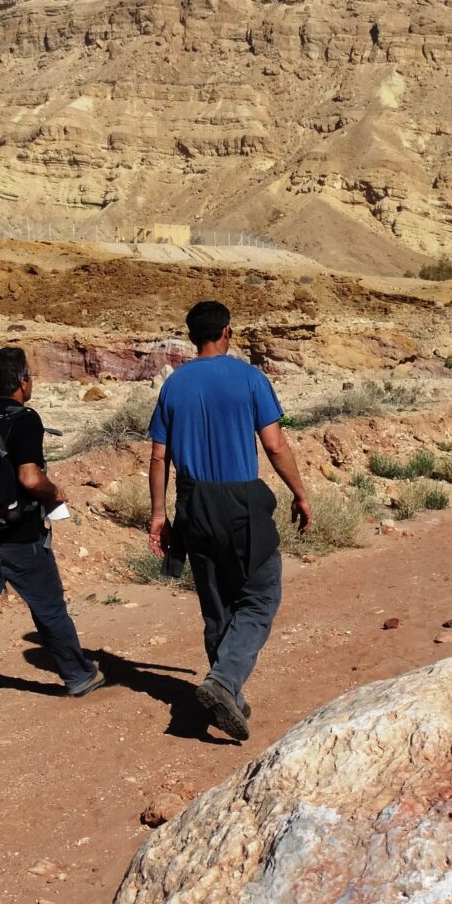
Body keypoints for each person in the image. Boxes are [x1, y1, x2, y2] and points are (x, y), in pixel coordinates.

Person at [147, 301, 311, 741]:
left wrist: (159, 515)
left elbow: (159, 455)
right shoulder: (249, 378)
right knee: (260, 595)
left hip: (193, 503)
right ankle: (223, 682)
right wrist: (299, 493)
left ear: (192, 334)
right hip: (240, 502)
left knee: (216, 602)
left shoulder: (174, 384)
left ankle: (228, 693)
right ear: (226, 331)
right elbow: (275, 446)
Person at [0, 346, 104, 734]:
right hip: (20, 536)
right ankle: (80, 676)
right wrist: (54, 492)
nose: (33, 383)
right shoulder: (25, 420)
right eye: (31, 377)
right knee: (49, 608)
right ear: (22, 382)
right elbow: (29, 478)